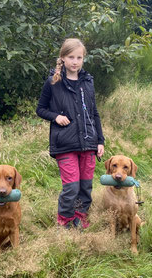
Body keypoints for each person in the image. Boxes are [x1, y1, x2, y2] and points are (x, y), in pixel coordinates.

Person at [36, 38, 104, 229]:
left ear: (83, 59)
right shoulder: (53, 82)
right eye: (71, 57)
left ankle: (80, 217)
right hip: (65, 143)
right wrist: (55, 117)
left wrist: (100, 140)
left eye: (79, 57)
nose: (75, 61)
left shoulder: (88, 82)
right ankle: (64, 221)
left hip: (89, 143)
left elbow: (94, 113)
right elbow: (40, 109)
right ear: (63, 58)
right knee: (71, 187)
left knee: (85, 187)